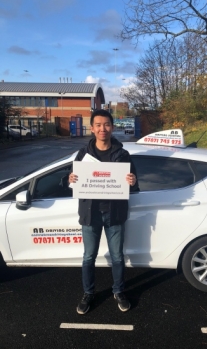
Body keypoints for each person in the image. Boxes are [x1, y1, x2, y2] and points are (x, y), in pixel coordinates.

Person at [69, 109, 139, 314]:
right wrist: (70, 180)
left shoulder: (123, 154)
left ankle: (118, 291)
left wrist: (132, 182)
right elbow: (72, 181)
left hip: (114, 213)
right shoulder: (83, 154)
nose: (103, 129)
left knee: (117, 256)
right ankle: (88, 293)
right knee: (88, 257)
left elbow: (134, 186)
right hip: (90, 214)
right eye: (98, 125)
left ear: (112, 127)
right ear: (92, 128)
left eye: (106, 124)